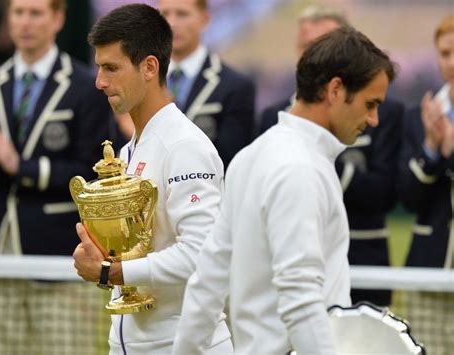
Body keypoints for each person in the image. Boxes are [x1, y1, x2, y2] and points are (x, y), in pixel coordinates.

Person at [172, 26, 397, 355]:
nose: (374, 119)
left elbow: (208, 281)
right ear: (335, 90)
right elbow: (302, 301)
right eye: (370, 103)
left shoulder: (253, 155)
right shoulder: (299, 168)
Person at [72, 4, 232, 354]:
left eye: (111, 68)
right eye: (99, 68)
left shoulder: (185, 146)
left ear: (149, 67)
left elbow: (201, 255)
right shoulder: (132, 148)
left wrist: (110, 273)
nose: (99, 82)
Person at [0, 0, 114, 354]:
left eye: (36, 13)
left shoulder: (87, 86)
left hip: (60, 258)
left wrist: (19, 165)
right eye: (18, 12)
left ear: (58, 19)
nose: (25, 22)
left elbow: (91, 174)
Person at [259, 4, 404, 307]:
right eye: (307, 46)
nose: (314, 56)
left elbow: (385, 193)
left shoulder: (380, 114)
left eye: (322, 45)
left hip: (364, 273)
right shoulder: (270, 139)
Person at [397, 14, 454, 354]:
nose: (452, 62)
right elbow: (407, 197)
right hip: (430, 271)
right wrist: (433, 150)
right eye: (446, 53)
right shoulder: (419, 115)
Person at [158, 0, 256, 169]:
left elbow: (230, 163)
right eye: (164, 14)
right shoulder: (139, 80)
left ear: (205, 19)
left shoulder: (235, 87)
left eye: (182, 14)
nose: (171, 23)